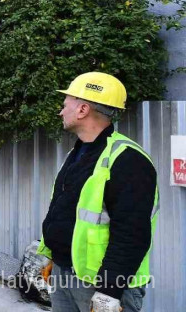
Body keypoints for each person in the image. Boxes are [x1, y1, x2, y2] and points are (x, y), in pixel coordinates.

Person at [38, 72, 158, 312]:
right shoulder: (79, 153)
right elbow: (67, 212)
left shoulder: (127, 159)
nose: (61, 112)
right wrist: (54, 257)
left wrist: (109, 292)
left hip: (101, 287)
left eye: (65, 105)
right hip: (65, 274)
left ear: (82, 110)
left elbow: (131, 234)